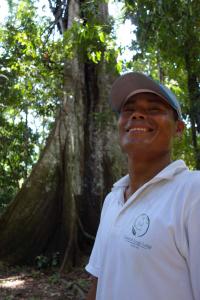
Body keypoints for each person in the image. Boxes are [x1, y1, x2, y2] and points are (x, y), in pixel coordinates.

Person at [85, 72, 200, 300]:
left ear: (178, 129)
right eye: (128, 110)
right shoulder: (113, 199)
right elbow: (99, 281)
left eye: (154, 109)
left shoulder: (193, 192)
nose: (137, 115)